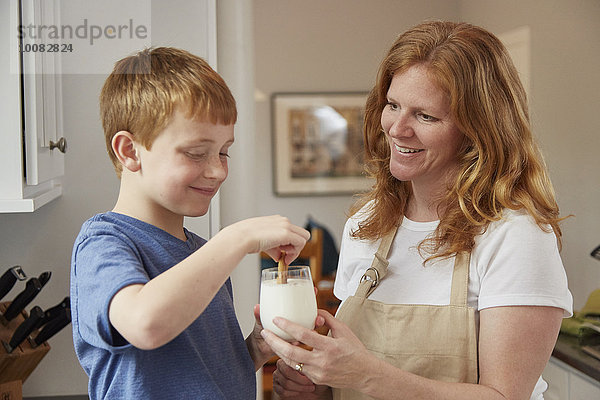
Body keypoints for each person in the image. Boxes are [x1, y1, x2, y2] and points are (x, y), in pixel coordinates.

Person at [261, 21, 573, 400]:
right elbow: (348, 382)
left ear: (478, 130)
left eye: (426, 116)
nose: (397, 129)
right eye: (393, 105)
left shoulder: (515, 235)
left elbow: (504, 396)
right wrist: (317, 389)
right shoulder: (366, 225)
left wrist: (366, 376)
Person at [70, 47, 311, 399]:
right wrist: (238, 237)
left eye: (223, 151)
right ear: (130, 151)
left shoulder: (200, 252)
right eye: (196, 153)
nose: (217, 170)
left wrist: (256, 349)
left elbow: (203, 374)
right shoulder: (104, 242)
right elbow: (145, 325)